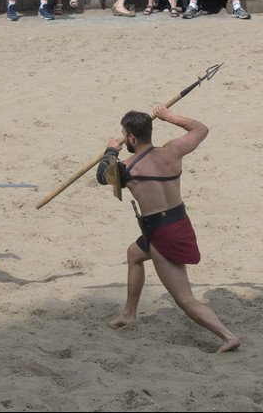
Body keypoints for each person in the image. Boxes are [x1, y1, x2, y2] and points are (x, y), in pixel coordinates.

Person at [95, 106, 240, 353]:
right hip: (177, 221)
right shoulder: (173, 150)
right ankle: (129, 314)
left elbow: (102, 175)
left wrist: (110, 150)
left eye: (124, 135)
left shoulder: (128, 168)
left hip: (163, 234)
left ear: (131, 138)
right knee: (134, 254)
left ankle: (227, 336)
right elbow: (200, 129)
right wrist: (170, 117)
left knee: (184, 298)